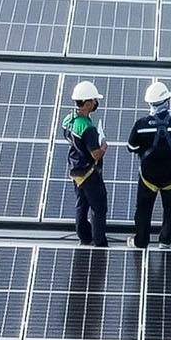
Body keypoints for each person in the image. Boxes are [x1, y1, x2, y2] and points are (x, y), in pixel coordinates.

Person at [127, 79, 171, 247]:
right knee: (170, 209)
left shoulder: (140, 125)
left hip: (148, 176)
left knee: (143, 209)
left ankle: (141, 241)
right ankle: (165, 240)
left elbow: (131, 146)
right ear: (166, 101)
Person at [61, 81, 110, 248]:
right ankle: (99, 241)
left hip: (76, 171)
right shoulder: (87, 128)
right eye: (94, 100)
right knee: (98, 207)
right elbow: (95, 153)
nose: (96, 103)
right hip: (89, 173)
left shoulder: (68, 119)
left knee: (81, 205)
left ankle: (83, 236)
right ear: (88, 102)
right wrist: (103, 146)